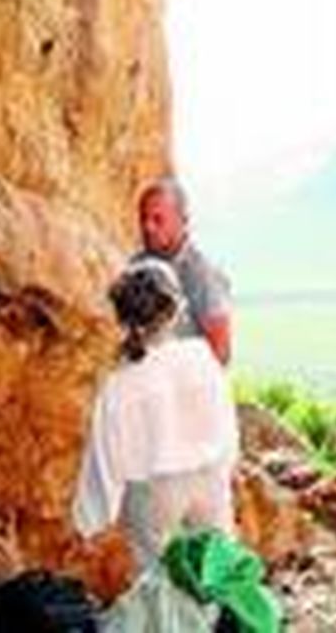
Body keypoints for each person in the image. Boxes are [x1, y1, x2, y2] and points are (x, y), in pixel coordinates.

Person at [71, 258, 239, 574]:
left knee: (157, 577)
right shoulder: (200, 355)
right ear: (176, 309)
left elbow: (106, 456)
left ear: (123, 316)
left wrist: (90, 519)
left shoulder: (119, 382)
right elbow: (225, 418)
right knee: (220, 570)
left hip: (153, 490)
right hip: (208, 477)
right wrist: (228, 464)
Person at [134, 177, 233, 365]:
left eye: (158, 219)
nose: (148, 227)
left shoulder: (203, 274)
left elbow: (220, 353)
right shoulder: (136, 267)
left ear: (182, 220)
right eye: (143, 219)